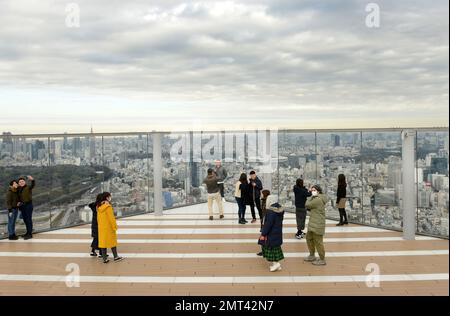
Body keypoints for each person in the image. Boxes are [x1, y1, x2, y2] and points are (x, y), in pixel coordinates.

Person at [304, 185, 328, 266]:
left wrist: (310, 196)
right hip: (314, 222)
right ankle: (312, 255)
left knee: (318, 241)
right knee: (309, 238)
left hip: (317, 223)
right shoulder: (317, 198)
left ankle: (322, 259)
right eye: (312, 190)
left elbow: (307, 204)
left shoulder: (317, 200)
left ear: (318, 191)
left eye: (314, 190)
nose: (312, 192)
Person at [259, 196, 285, 272]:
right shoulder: (280, 209)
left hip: (271, 233)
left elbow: (268, 224)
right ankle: (276, 264)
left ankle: (276, 264)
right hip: (277, 232)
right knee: (276, 248)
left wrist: (263, 234)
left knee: (271, 248)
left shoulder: (270, 211)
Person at [97, 192, 124, 263]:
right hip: (108, 227)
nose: (110, 198)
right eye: (109, 196)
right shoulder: (108, 206)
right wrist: (114, 226)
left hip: (101, 227)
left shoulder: (99, 206)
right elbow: (111, 218)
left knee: (103, 243)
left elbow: (98, 218)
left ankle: (105, 259)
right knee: (112, 242)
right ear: (107, 197)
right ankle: (116, 257)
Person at [18, 176, 35, 240]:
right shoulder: (19, 189)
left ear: (25, 182)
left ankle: (30, 234)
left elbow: (33, 185)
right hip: (22, 206)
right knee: (25, 220)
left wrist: (32, 180)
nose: (21, 182)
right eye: (20, 182)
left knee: (28, 220)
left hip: (28, 205)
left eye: (22, 181)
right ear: (19, 183)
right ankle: (27, 232)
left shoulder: (28, 187)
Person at [257, 189, 271, 256]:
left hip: (265, 222)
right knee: (264, 236)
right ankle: (265, 250)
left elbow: (265, 214)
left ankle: (264, 251)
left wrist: (263, 224)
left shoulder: (266, 203)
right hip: (264, 221)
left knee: (264, 236)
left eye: (262, 194)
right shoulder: (264, 201)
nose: (261, 195)